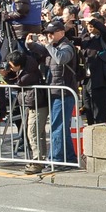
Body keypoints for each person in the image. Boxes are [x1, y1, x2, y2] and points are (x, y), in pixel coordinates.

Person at [27, 20, 79, 166]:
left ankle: (55, 160)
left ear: (61, 32)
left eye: (51, 33)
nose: (48, 36)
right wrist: (30, 43)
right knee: (61, 127)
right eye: (46, 33)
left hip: (64, 92)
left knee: (57, 127)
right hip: (55, 90)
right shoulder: (52, 47)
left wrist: (48, 45)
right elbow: (39, 50)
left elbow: (61, 59)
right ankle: (69, 158)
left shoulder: (67, 46)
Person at [1, 50, 48, 174]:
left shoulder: (29, 71)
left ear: (18, 64)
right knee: (37, 134)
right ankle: (39, 160)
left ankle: (37, 162)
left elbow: (19, 83)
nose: (10, 67)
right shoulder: (27, 66)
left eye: (11, 65)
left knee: (33, 133)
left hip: (37, 104)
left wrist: (5, 75)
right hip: (33, 103)